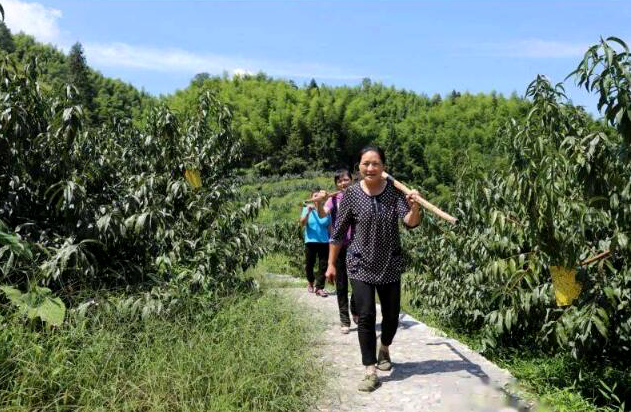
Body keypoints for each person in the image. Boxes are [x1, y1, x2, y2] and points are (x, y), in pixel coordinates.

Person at [325, 146, 421, 392]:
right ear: (359, 167)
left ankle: (385, 348)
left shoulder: (393, 192)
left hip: (389, 262)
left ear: (383, 167)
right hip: (359, 263)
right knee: (366, 316)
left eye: (375, 163)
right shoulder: (352, 194)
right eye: (366, 163)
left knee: (391, 317)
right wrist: (330, 264)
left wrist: (415, 205)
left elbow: (410, 222)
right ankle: (369, 370)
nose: (370, 168)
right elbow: (337, 234)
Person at [313, 169, 358, 334]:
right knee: (341, 284)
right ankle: (344, 320)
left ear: (351, 180)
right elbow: (323, 214)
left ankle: (355, 309)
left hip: (356, 245)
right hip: (338, 246)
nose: (343, 183)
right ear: (336, 184)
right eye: (339, 181)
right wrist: (319, 202)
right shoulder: (333, 198)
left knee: (358, 282)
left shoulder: (359, 196)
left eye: (346, 180)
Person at [300, 191, 331, 297]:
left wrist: (333, 241)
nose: (318, 197)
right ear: (312, 198)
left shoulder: (327, 210)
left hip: (324, 242)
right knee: (309, 265)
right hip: (311, 242)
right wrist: (308, 212)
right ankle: (310, 282)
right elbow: (302, 223)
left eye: (319, 196)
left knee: (323, 266)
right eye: (315, 196)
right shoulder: (306, 208)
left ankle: (319, 288)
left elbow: (329, 227)